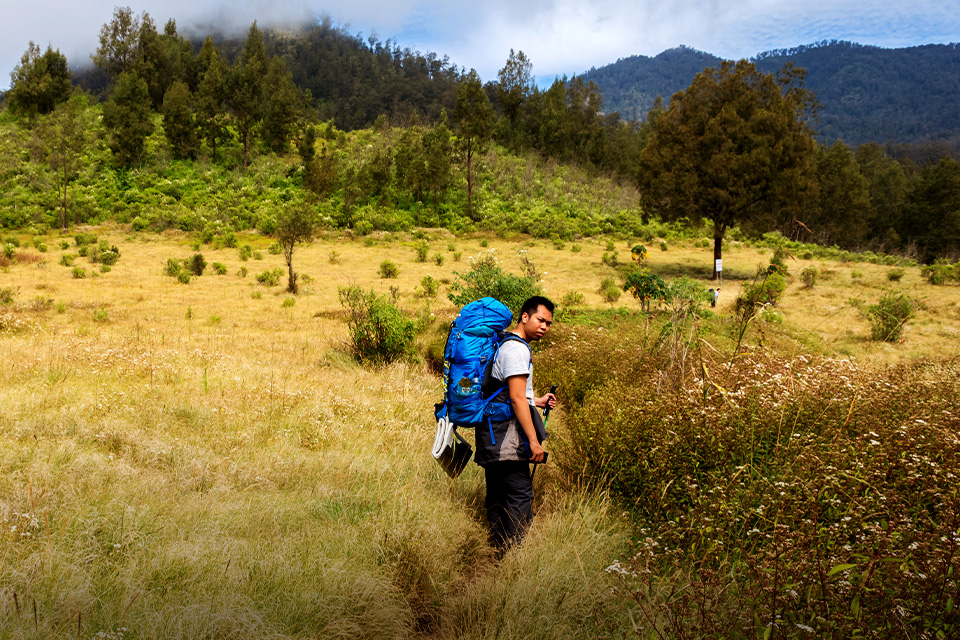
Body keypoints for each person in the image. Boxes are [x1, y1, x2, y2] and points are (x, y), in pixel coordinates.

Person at [474, 296, 557, 552]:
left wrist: (539, 401)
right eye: (540, 320)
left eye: (549, 323)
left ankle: (496, 550)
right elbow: (516, 397)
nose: (544, 326)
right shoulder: (518, 349)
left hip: (493, 435)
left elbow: (512, 391)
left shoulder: (505, 343)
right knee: (520, 495)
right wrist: (533, 442)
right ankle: (514, 557)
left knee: (498, 494)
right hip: (507, 439)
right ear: (525, 317)